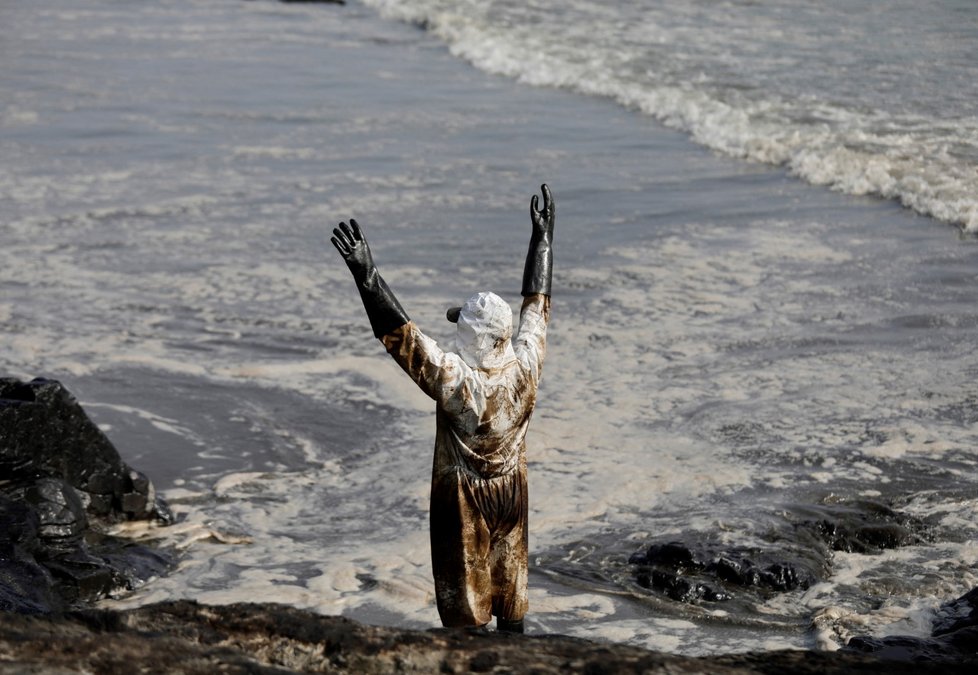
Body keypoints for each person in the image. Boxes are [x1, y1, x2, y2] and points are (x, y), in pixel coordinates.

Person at [331, 184, 555, 633]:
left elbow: (403, 339)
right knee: (510, 590)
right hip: (512, 492)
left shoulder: (458, 383)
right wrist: (543, 240)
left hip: (465, 498)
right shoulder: (528, 362)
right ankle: (518, 655)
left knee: (466, 605)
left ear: (471, 337)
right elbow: (537, 306)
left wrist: (366, 273)